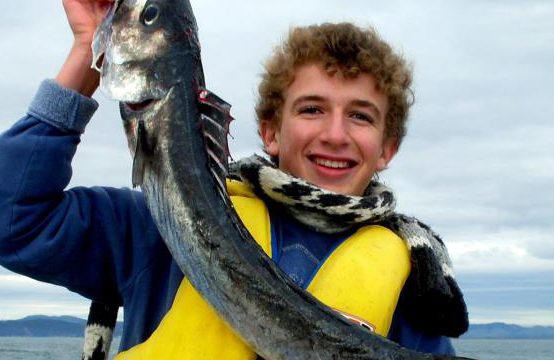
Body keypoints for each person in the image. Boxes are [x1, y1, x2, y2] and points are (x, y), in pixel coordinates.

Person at [0, 0, 468, 358]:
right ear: (269, 131)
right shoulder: (150, 231)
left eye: (361, 117)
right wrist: (89, 50)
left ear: (388, 149)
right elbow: (14, 219)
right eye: (311, 109)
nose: (335, 134)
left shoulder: (419, 285)